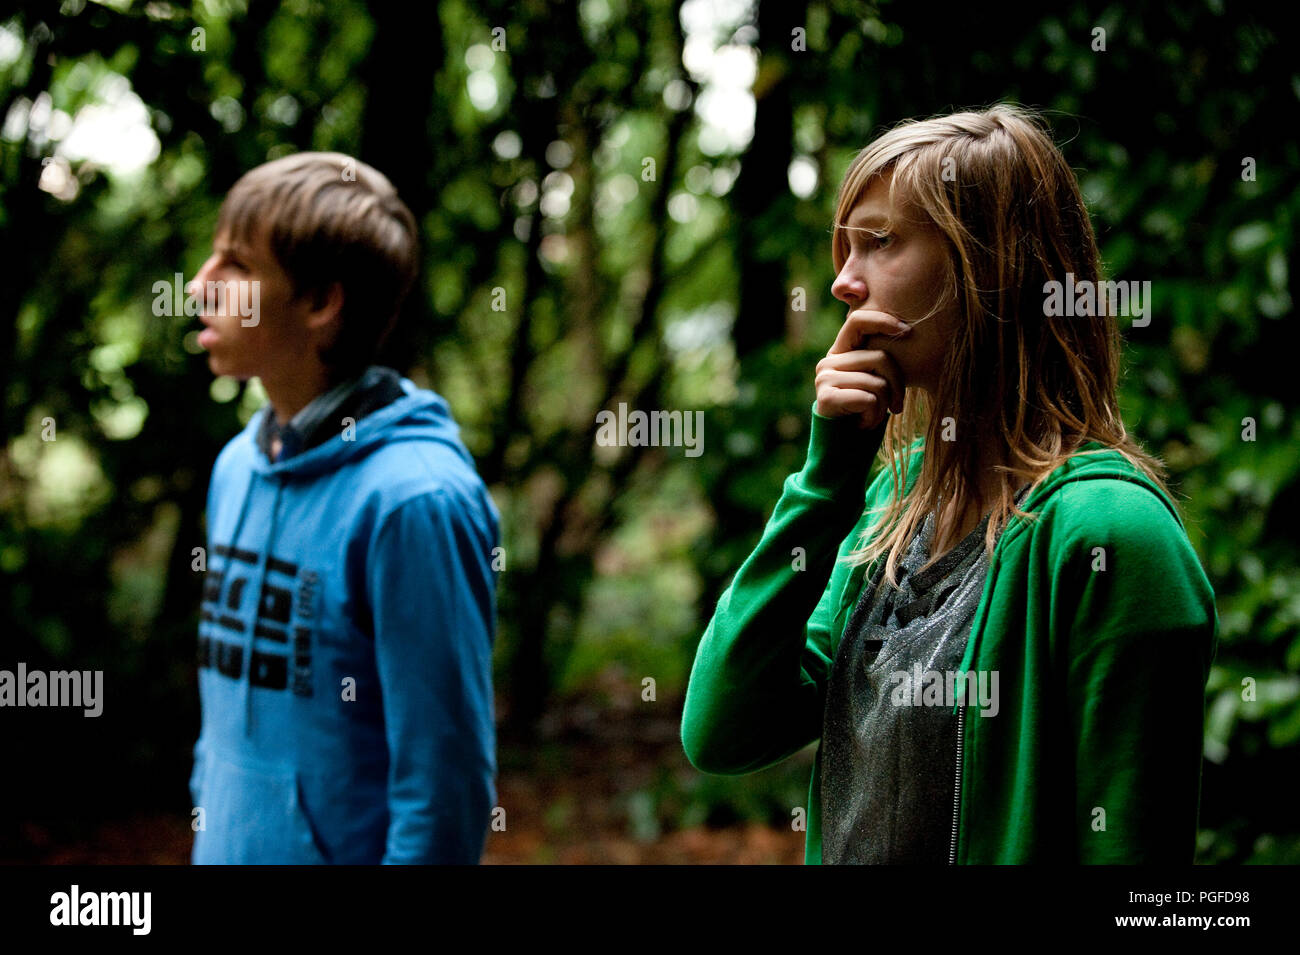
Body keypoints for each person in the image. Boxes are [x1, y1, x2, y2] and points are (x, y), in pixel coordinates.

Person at [681, 105, 1219, 864]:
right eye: (845, 249)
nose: (841, 282)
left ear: (988, 262)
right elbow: (724, 729)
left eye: (879, 242)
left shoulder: (1111, 539)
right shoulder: (887, 507)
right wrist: (825, 481)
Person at [186, 152, 500, 864]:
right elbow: (224, 739)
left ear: (320, 303)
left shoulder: (416, 502)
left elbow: (444, 786)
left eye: (235, 266)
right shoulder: (237, 465)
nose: (199, 285)